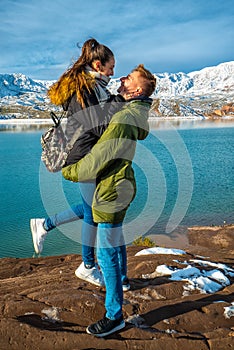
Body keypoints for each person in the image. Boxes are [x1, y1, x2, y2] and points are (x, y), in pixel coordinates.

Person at [62, 64, 156, 337]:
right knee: (115, 243)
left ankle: (114, 316)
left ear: (137, 90)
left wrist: (70, 171)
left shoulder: (126, 117)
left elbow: (99, 158)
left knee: (105, 253)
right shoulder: (134, 112)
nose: (122, 78)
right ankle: (124, 281)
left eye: (129, 78)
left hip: (112, 189)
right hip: (120, 185)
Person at [30, 38, 128, 289]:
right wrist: (121, 100)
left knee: (91, 208)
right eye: (111, 66)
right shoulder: (84, 89)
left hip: (88, 152)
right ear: (98, 63)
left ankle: (45, 224)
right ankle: (87, 266)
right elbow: (97, 125)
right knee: (94, 213)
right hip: (82, 156)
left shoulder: (92, 86)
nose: (113, 72)